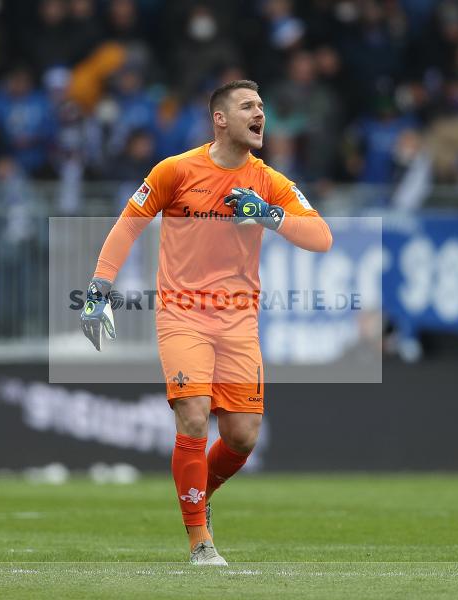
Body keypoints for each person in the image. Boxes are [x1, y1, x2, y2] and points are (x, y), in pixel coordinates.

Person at [79, 80, 332, 565]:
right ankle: (200, 542)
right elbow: (129, 223)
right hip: (182, 314)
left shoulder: (268, 182)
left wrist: (270, 215)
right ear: (220, 118)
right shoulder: (175, 170)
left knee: (242, 436)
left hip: (238, 321)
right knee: (193, 415)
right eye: (248, 107)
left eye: (262, 105)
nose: (261, 114)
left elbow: (321, 237)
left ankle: (200, 493)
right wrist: (98, 289)